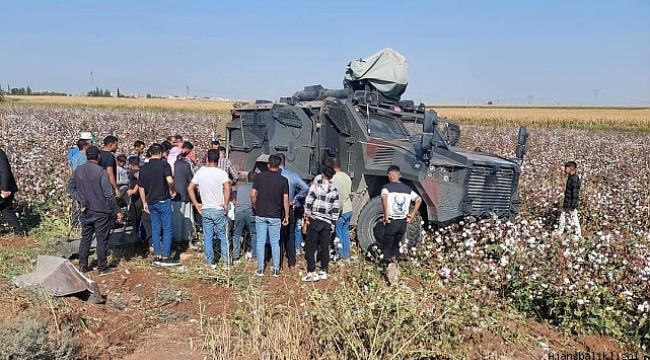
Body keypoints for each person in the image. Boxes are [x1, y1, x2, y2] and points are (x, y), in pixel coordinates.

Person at [68, 146, 124, 274]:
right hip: (101, 211)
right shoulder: (100, 172)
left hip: (85, 211)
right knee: (101, 240)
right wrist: (117, 210)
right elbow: (108, 194)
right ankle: (102, 267)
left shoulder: (78, 170)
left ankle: (83, 265)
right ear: (98, 157)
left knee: (85, 238)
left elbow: (71, 189)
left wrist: (81, 199)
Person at [188, 149, 232, 268]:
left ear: (207, 159)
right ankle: (225, 263)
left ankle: (210, 262)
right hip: (218, 209)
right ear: (218, 159)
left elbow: (190, 188)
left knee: (208, 236)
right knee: (223, 237)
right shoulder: (221, 173)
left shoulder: (201, 172)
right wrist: (225, 203)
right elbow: (227, 188)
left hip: (205, 209)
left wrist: (196, 203)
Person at [138, 143, 179, 267]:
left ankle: (157, 254)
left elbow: (141, 187)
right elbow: (170, 181)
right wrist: (173, 189)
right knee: (167, 228)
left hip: (151, 201)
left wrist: (144, 202)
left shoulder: (144, 168)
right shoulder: (164, 165)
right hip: (163, 200)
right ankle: (166, 256)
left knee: (155, 228)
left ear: (150, 153)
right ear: (161, 153)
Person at [380, 165, 422, 282]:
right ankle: (396, 266)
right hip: (403, 223)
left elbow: (384, 198)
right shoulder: (407, 189)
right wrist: (412, 214)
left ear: (389, 175)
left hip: (392, 221)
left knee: (388, 246)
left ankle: (390, 275)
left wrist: (385, 214)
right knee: (396, 244)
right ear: (399, 175)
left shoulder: (386, 188)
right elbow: (419, 199)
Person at [251, 154, 289, 277]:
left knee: (260, 241)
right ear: (279, 166)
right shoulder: (283, 180)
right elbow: (286, 200)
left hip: (261, 213)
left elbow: (253, 194)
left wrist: (255, 206)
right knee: (275, 242)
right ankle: (276, 269)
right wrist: (286, 216)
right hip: (275, 215)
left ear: (268, 165)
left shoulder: (259, 177)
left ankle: (260, 269)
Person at [302, 165, 341, 282]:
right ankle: (324, 270)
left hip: (315, 220)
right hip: (327, 222)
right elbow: (336, 209)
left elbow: (308, 202)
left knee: (310, 246)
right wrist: (333, 224)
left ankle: (311, 271)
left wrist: (306, 217)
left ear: (323, 174)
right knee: (325, 248)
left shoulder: (315, 187)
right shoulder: (335, 190)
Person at [277, 153, 309, 269]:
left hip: (277, 208)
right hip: (291, 207)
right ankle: (291, 263)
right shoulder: (293, 175)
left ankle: (278, 263)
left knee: (278, 236)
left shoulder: (274, 175)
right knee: (290, 235)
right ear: (284, 162)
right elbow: (305, 188)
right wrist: (295, 199)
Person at [325, 157, 353, 261]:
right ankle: (346, 255)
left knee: (338, 233)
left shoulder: (334, 179)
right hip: (349, 208)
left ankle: (341, 256)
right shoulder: (347, 176)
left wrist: (336, 212)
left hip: (341, 210)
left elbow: (338, 198)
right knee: (345, 232)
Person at [172, 141, 195, 245]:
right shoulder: (186, 165)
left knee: (176, 219)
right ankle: (186, 238)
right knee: (186, 218)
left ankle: (177, 239)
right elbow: (191, 180)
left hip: (173, 194)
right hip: (185, 194)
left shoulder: (169, 165)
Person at [232, 171, 257, 262]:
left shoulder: (240, 187)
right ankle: (254, 255)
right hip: (250, 211)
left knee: (237, 233)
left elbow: (235, 198)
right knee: (254, 233)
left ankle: (235, 255)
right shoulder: (256, 188)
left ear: (247, 179)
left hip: (238, 210)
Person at [0, 148, 25, 235]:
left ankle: (19, 233)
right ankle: (19, 232)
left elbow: (5, 171)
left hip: (4, 188)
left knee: (6, 208)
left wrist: (4, 189)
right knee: (6, 209)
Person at [554, 161, 582, 237]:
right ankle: (560, 231)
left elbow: (575, 194)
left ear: (571, 169)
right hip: (567, 203)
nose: (564, 170)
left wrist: (573, 206)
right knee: (562, 217)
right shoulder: (571, 177)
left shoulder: (574, 179)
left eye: (566, 168)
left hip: (571, 205)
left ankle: (578, 234)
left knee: (574, 219)